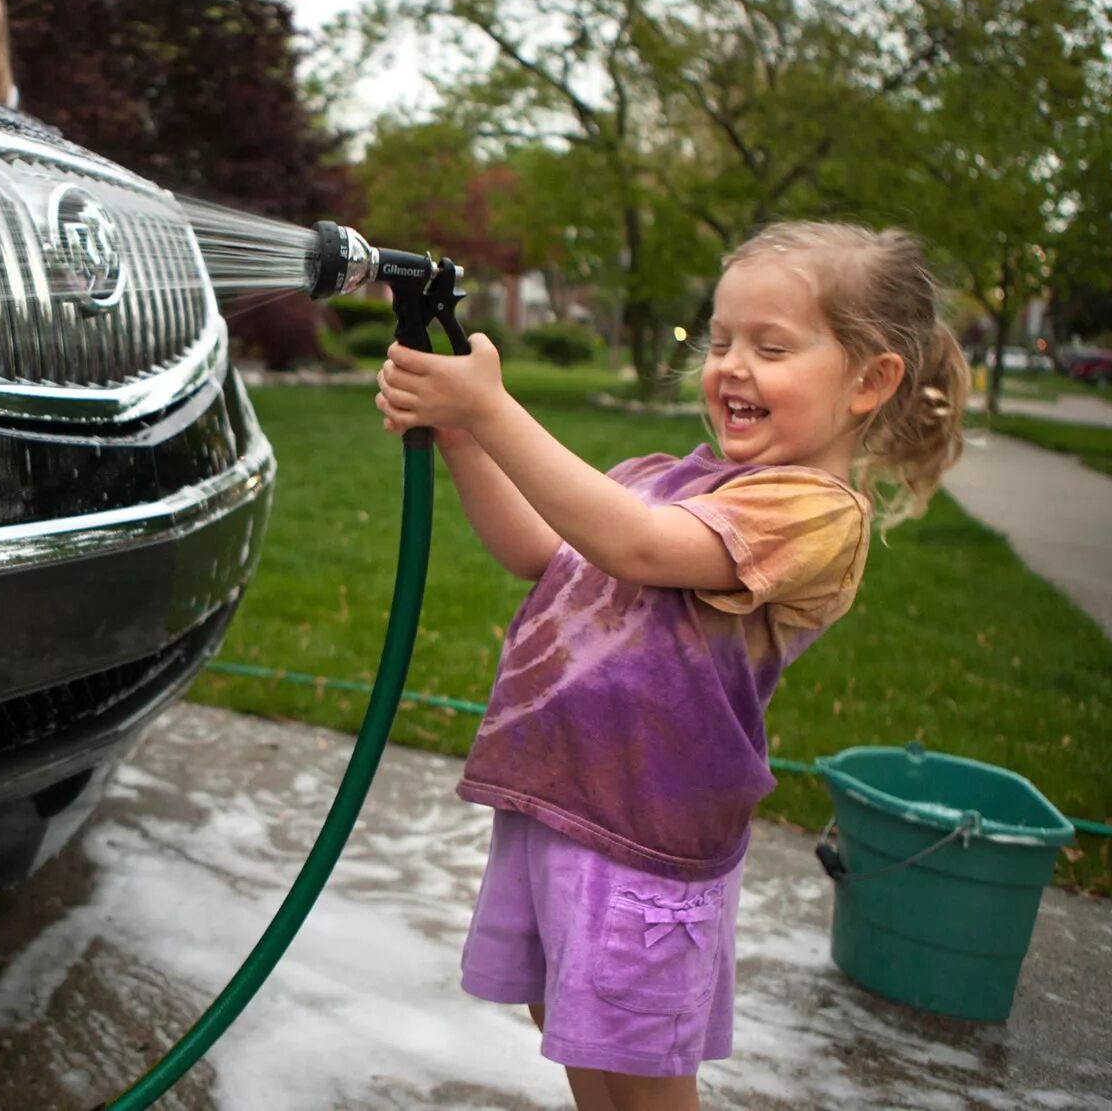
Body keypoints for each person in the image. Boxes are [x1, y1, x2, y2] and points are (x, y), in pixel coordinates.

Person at [375, 221, 967, 1111]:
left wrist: (492, 409)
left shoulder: (813, 513)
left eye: (771, 345)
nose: (731, 363)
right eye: (722, 339)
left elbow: (639, 548)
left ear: (869, 381)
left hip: (644, 843)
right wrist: (465, 439)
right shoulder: (663, 475)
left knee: (647, 1080)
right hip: (561, 801)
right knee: (572, 1031)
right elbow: (547, 551)